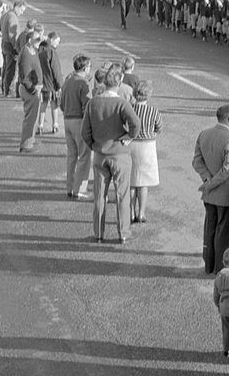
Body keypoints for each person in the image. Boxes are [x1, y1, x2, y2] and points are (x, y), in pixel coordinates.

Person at [81, 64, 141, 245]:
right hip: (120, 154)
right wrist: (129, 137)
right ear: (119, 82)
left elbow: (85, 131)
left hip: (100, 153)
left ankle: (99, 233)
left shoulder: (93, 103)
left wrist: (94, 145)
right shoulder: (121, 103)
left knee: (100, 196)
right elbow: (135, 124)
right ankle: (123, 233)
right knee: (122, 195)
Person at [192, 104, 229, 275]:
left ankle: (209, 265)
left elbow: (197, 161)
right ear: (228, 118)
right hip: (226, 194)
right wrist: (210, 183)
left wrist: (206, 178)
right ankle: (221, 268)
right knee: (223, 232)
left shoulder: (204, 134)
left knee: (209, 228)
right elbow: (228, 170)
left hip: (209, 194)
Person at [129, 79, 163, 224]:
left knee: (131, 182)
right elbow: (159, 128)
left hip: (130, 144)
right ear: (148, 95)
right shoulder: (153, 111)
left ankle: (130, 212)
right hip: (147, 146)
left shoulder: (129, 108)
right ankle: (141, 214)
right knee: (143, 183)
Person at [60, 53, 93, 199]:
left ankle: (70, 186)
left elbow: (61, 103)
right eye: (89, 67)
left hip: (66, 119)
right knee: (84, 155)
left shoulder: (68, 81)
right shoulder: (83, 84)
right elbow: (87, 106)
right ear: (85, 68)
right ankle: (79, 188)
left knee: (72, 155)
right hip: (79, 120)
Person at [17, 27, 45, 152]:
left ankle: (30, 140)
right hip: (30, 91)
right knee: (30, 119)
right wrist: (34, 90)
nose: (39, 43)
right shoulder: (26, 55)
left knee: (33, 118)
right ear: (29, 41)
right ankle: (26, 145)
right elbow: (25, 78)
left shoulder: (32, 50)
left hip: (34, 89)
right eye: (36, 40)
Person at [37, 31, 63, 133]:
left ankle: (40, 125)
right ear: (51, 40)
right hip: (51, 84)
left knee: (43, 104)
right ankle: (55, 124)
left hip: (42, 83)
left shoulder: (40, 50)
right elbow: (56, 70)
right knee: (54, 104)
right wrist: (60, 84)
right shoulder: (51, 52)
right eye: (57, 41)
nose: (58, 44)